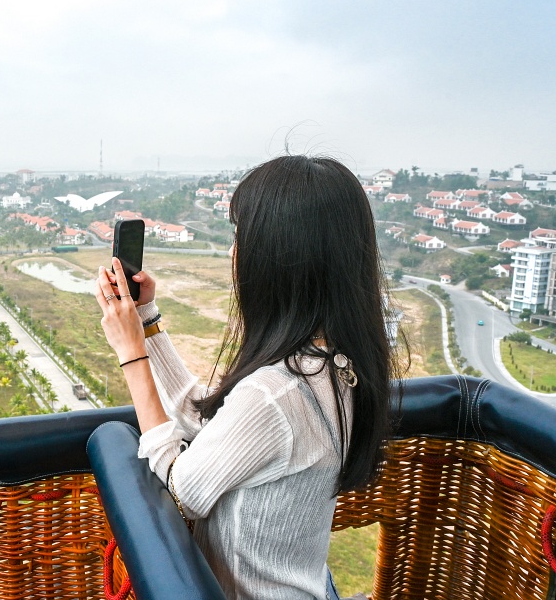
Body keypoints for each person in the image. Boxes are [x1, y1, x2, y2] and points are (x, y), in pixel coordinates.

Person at [94, 155, 399, 600]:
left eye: (242, 236)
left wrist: (131, 354)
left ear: (281, 259)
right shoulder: (337, 366)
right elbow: (211, 422)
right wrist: (147, 321)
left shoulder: (278, 393)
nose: (233, 251)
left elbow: (183, 489)